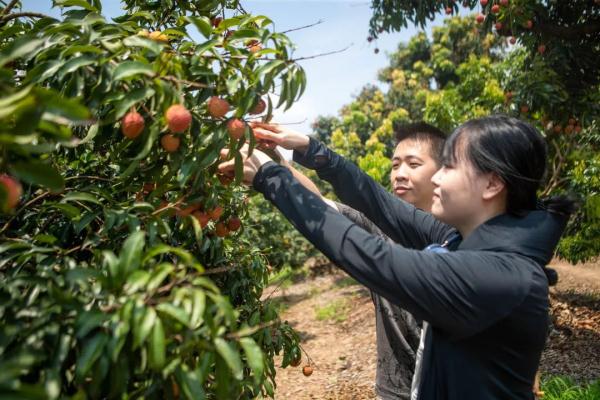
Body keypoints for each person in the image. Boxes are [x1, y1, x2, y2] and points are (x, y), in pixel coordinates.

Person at [219, 115, 575, 399]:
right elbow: (379, 203)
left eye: (449, 166)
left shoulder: (497, 275)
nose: (438, 176)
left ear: (493, 184)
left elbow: (373, 257)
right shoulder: (466, 241)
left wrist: (271, 177)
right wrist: (312, 150)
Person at [256, 121, 447, 400]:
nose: (399, 174)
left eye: (413, 164)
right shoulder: (377, 227)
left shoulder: (458, 238)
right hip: (394, 390)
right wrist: (276, 162)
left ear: (444, 172)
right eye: (395, 165)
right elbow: (319, 204)